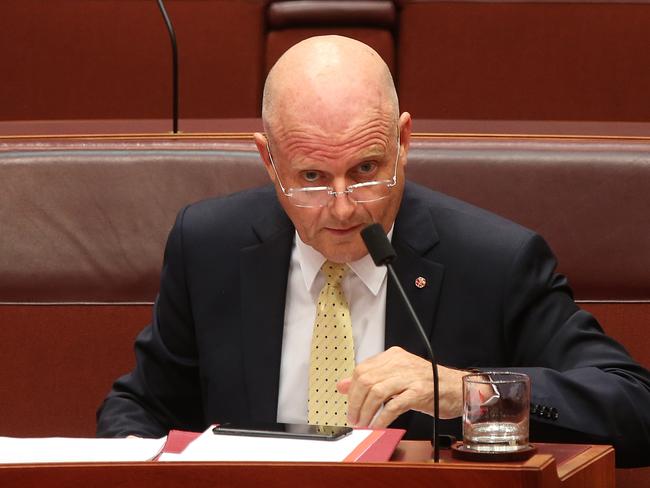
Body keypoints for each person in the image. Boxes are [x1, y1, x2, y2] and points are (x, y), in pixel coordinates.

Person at [97, 36, 650, 468]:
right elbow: (140, 408)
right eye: (311, 177)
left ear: (403, 143)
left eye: (365, 171)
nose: (343, 209)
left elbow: (634, 406)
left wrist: (471, 390)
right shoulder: (209, 244)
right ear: (268, 160)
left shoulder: (494, 261)